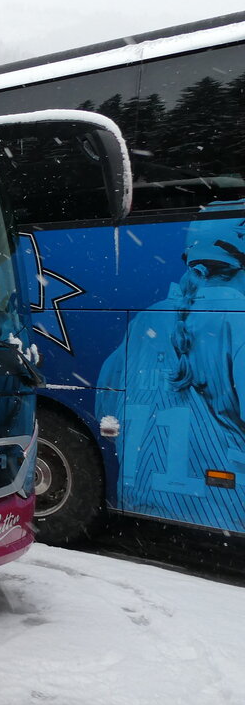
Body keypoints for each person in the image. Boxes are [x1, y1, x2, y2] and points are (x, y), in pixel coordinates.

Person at [96, 212, 245, 531]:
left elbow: (106, 413)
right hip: (220, 510)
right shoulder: (237, 318)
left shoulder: (144, 320)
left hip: (136, 498)